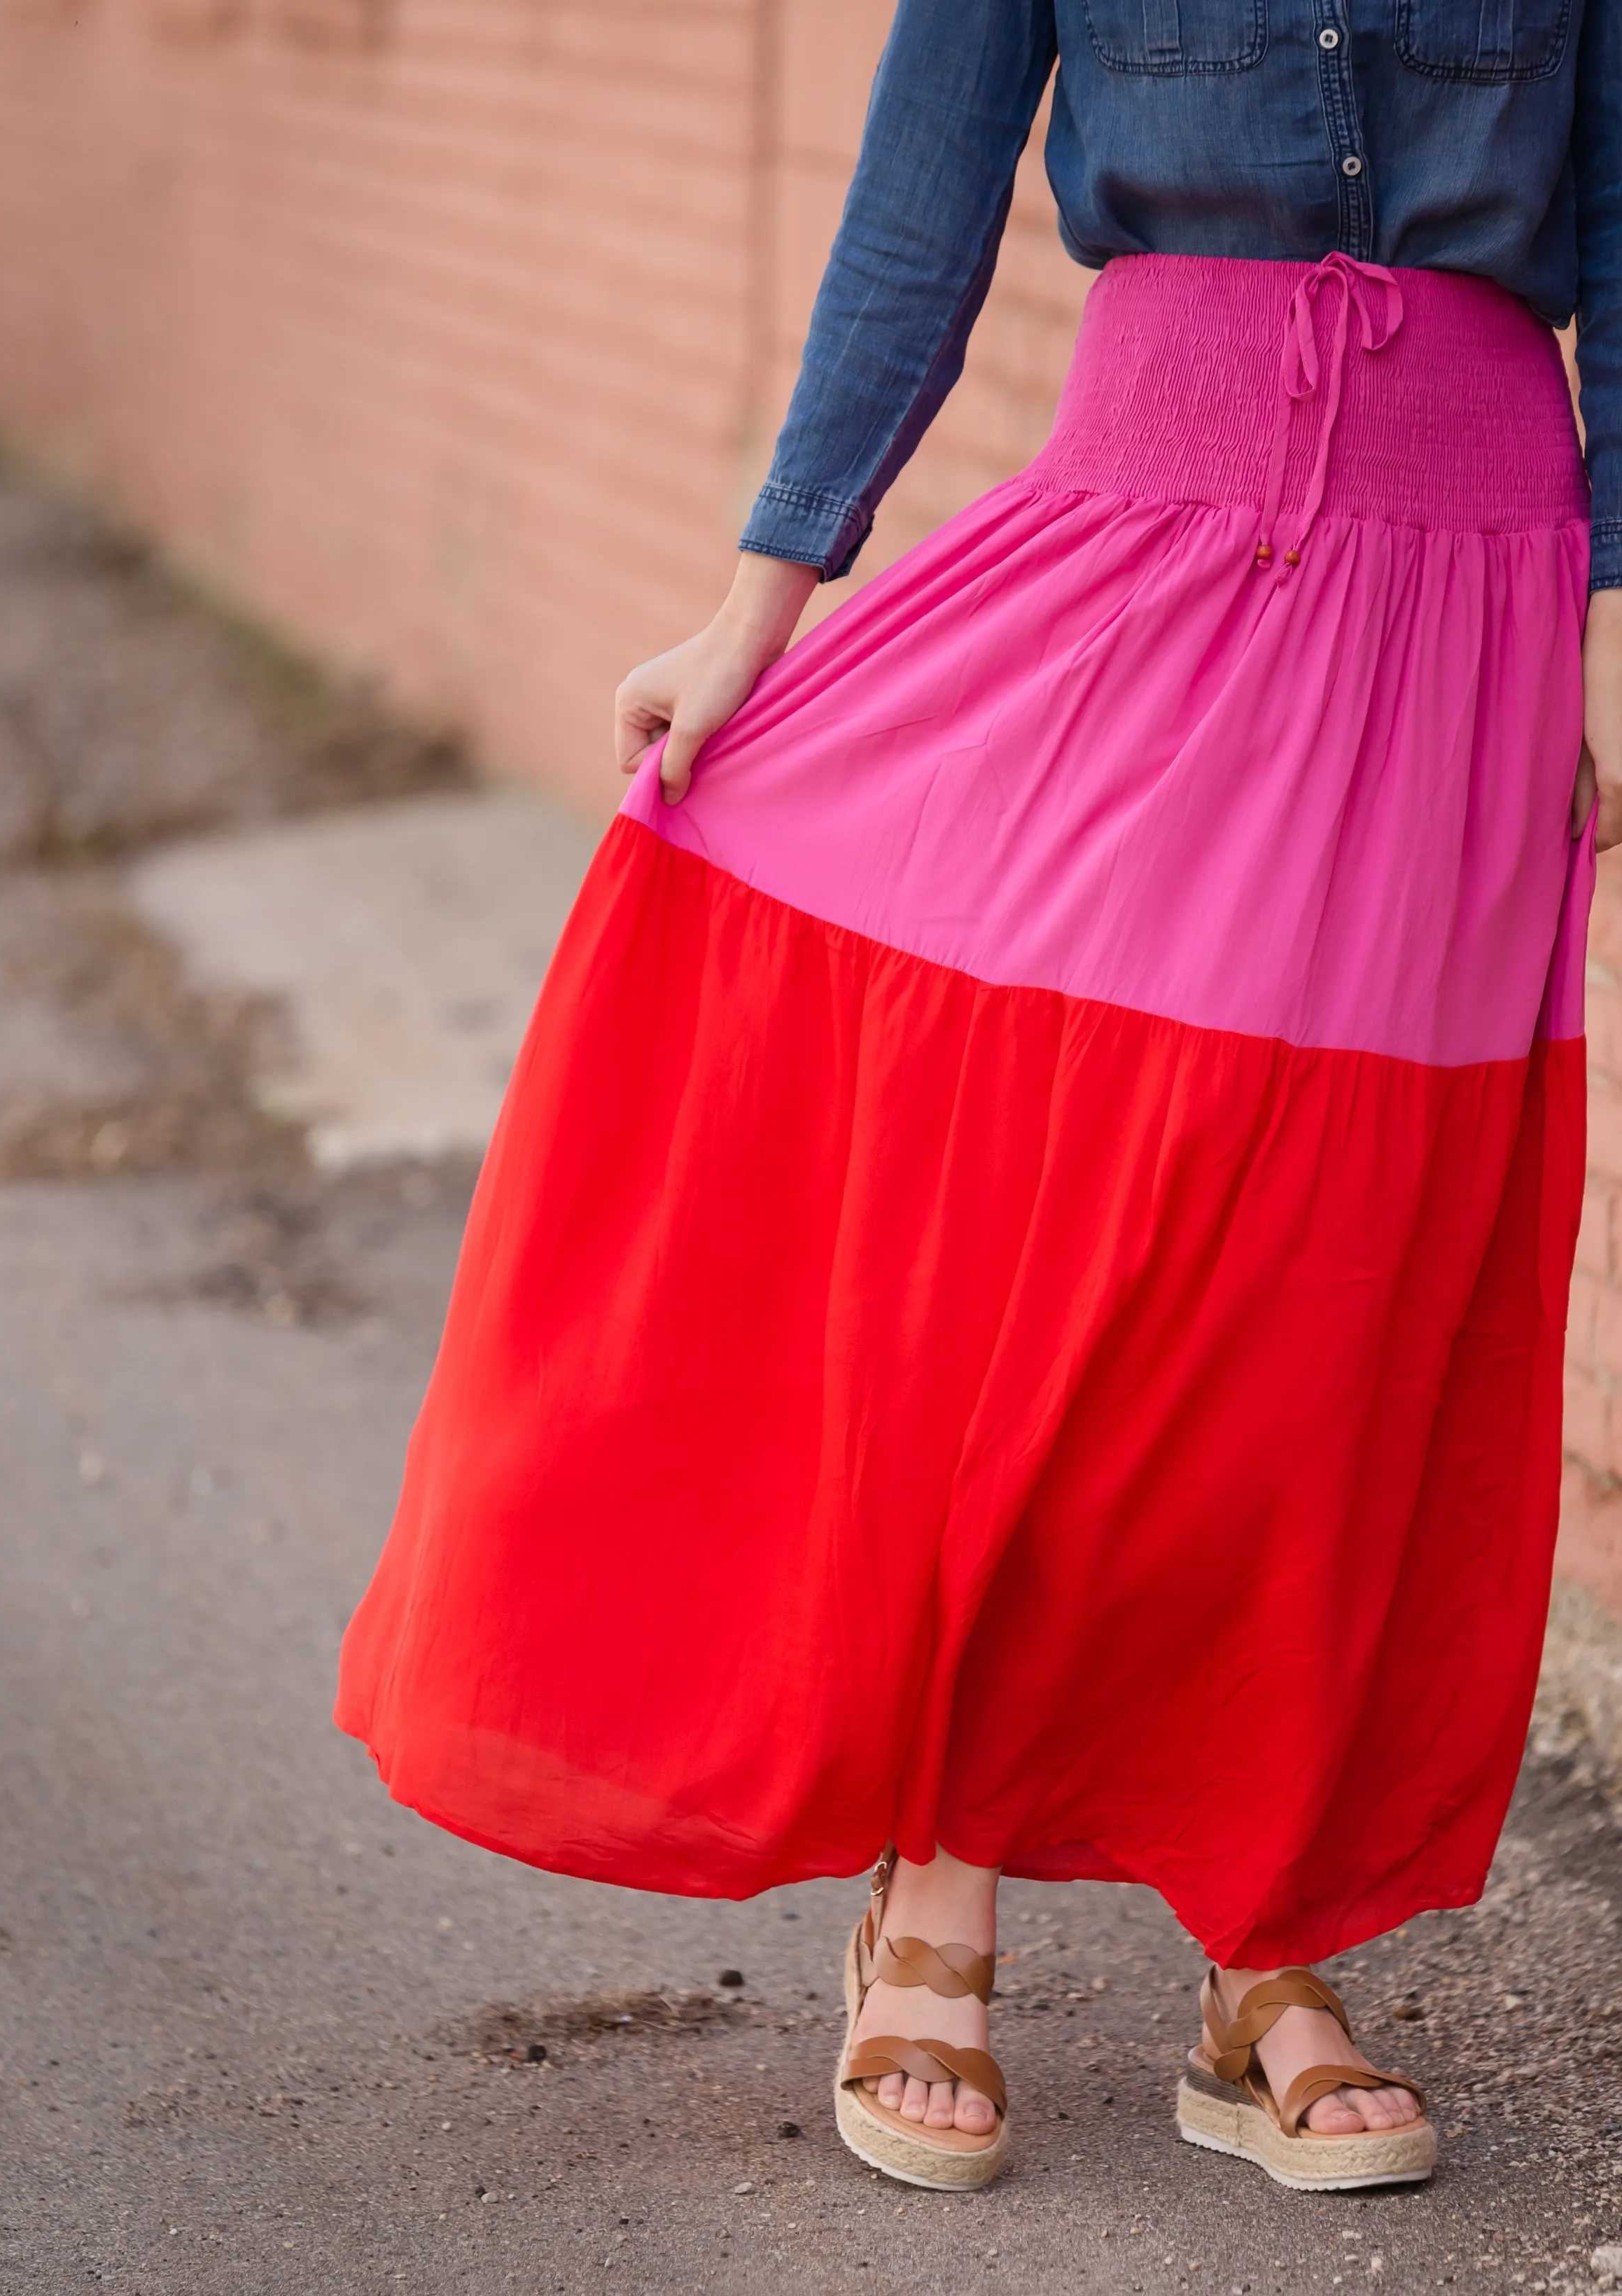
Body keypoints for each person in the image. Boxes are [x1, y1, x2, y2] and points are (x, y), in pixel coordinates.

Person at [337, 0, 1622, 2196]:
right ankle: (934, 1879)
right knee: (1055, 1242)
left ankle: (1272, 1945)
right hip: (1144, 540)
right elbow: (918, 211)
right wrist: (765, 597)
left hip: (1470, 598)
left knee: (1333, 1287)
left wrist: (1615, 638)